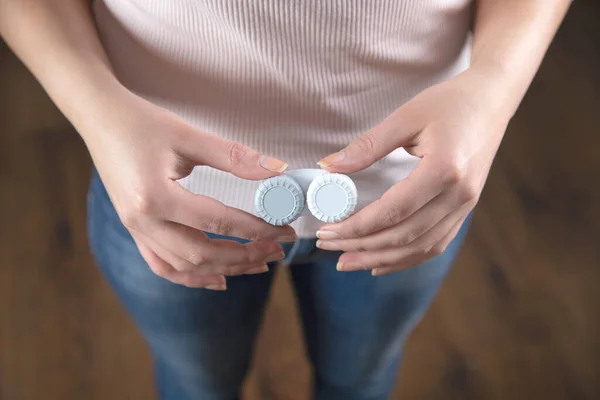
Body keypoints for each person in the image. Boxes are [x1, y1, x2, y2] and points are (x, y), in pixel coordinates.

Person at [0, 1, 572, 399]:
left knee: (360, 381)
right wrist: (99, 112)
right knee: (199, 386)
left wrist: (494, 88)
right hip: (170, 201)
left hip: (410, 195)